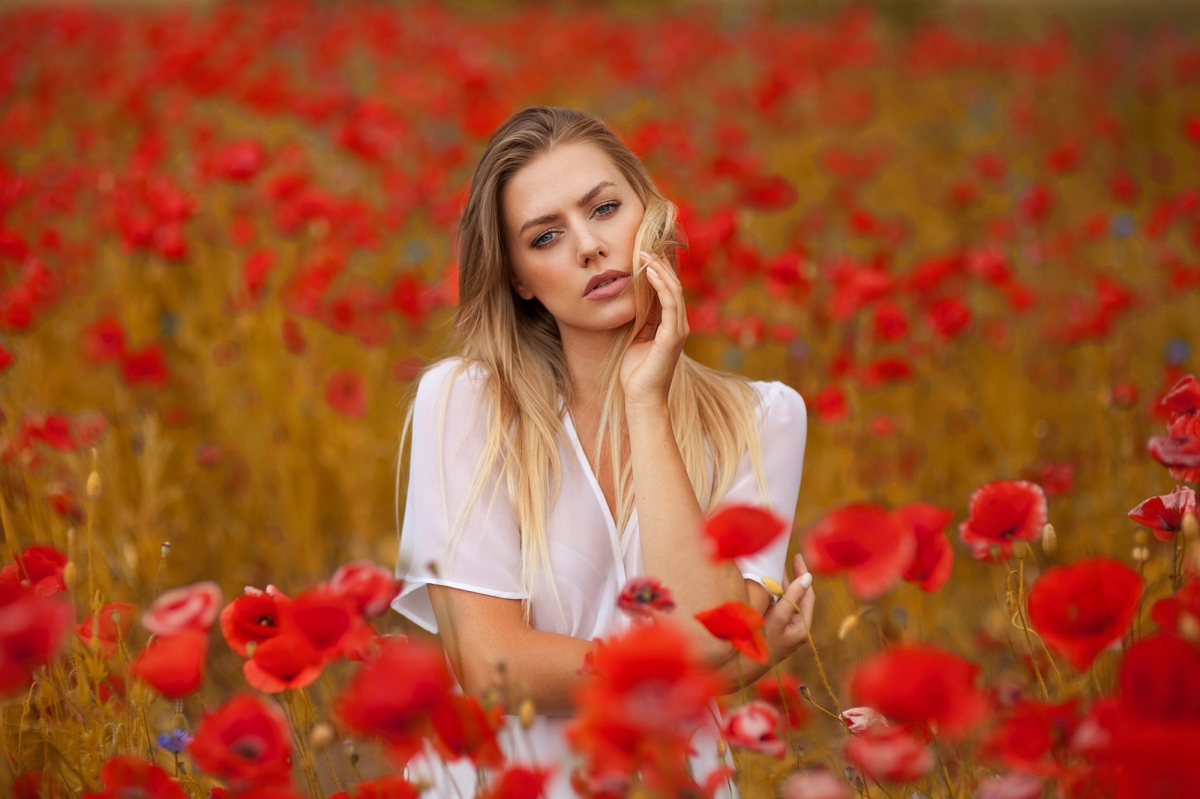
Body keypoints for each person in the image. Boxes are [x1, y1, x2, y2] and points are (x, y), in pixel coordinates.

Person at [392, 106, 814, 798]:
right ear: (520, 279)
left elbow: (710, 633)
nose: (588, 246)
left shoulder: (763, 418)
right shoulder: (466, 402)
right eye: (546, 236)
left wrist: (646, 403)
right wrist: (699, 672)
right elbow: (491, 665)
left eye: (605, 208)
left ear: (650, 213)